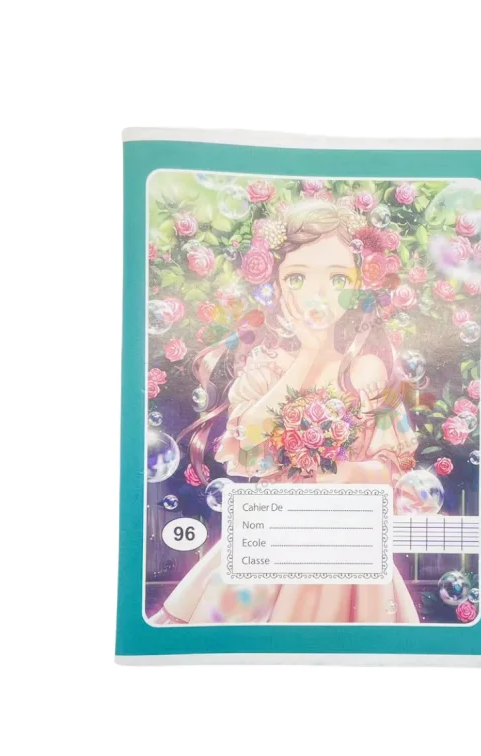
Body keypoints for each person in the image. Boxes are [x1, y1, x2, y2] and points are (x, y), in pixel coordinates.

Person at [150, 200, 419, 624]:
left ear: (357, 288)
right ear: (276, 286)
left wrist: (338, 472)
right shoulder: (269, 363)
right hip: (274, 536)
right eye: (297, 277)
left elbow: (393, 468)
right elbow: (247, 441)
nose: (317, 294)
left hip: (347, 542)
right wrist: (307, 355)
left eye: (337, 278)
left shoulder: (368, 368)